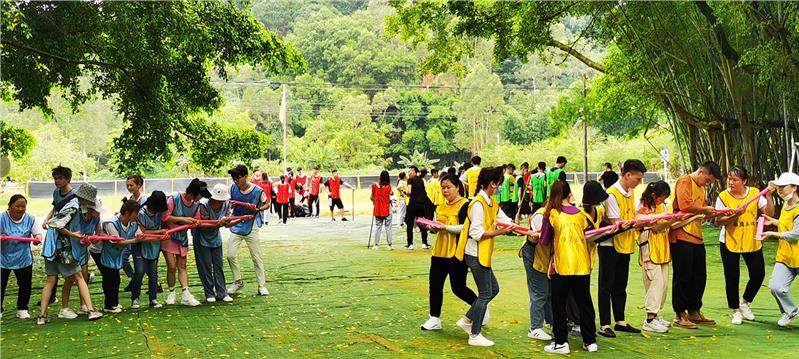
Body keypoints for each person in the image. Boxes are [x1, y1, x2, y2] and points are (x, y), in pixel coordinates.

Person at [454, 167, 519, 347]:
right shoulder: (478, 203)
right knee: (485, 294)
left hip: (483, 254)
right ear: (492, 183)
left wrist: (524, 230)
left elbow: (505, 219)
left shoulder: (491, 202)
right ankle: (475, 334)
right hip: (475, 254)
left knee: (493, 289)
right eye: (499, 183)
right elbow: (476, 232)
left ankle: (467, 320)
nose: (500, 187)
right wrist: (500, 231)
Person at [539, 181, 598, 354]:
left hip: (561, 265)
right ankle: (590, 341)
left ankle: (561, 343)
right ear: (569, 194)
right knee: (585, 303)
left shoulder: (551, 214)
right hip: (582, 265)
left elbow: (544, 240)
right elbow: (591, 235)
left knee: (559, 304)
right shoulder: (582, 214)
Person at [635, 181, 699, 333]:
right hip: (650, 250)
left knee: (663, 284)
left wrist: (692, 218)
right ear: (653, 195)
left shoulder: (662, 207)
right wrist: (669, 219)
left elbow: (670, 225)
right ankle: (649, 319)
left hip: (663, 250)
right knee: (655, 283)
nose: (663, 201)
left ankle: (656, 315)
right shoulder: (642, 207)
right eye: (661, 198)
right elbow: (656, 226)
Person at [714, 166, 773, 325]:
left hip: (751, 239)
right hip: (729, 241)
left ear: (744, 181)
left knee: (758, 274)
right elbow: (718, 222)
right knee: (732, 277)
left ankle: (745, 302)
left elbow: (769, 214)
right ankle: (735, 311)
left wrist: (769, 197)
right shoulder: (723, 197)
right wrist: (735, 215)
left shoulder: (755, 193)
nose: (731, 182)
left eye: (735, 179)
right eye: (729, 179)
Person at [39, 183, 104, 324]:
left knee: (51, 280)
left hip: (50, 248)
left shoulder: (74, 205)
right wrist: (74, 235)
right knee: (80, 277)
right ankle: (91, 310)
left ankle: (42, 317)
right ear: (85, 198)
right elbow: (58, 225)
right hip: (62, 249)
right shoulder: (73, 206)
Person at [420, 174, 477, 331]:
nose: (445, 191)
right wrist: (430, 227)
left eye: (448, 187)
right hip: (439, 251)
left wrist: (445, 228)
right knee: (435, 285)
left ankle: (479, 307)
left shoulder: (466, 205)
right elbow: (439, 226)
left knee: (458, 288)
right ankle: (434, 318)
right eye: (443, 188)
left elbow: (465, 228)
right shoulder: (440, 206)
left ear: (457, 187)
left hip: (456, 253)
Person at [598, 159, 647, 337]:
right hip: (609, 245)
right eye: (638, 178)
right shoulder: (611, 194)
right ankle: (604, 324)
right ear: (627, 175)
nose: (639, 182)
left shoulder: (630, 192)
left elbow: (633, 215)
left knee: (621, 284)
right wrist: (638, 222)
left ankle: (620, 321)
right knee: (606, 285)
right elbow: (615, 222)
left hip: (625, 244)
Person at [669, 161, 721, 328]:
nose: (708, 184)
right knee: (683, 275)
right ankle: (679, 314)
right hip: (681, 233)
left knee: (699, 275)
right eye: (707, 180)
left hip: (696, 235)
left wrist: (707, 211)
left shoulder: (701, 187)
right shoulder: (685, 181)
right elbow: (685, 206)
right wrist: (705, 209)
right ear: (700, 172)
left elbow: (698, 209)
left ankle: (694, 310)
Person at [226, 164, 271, 297]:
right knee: (230, 255)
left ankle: (261, 285)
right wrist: (232, 206)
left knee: (256, 257)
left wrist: (258, 210)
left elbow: (267, 203)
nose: (235, 180)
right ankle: (238, 281)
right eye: (233, 177)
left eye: (237, 177)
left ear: (246, 176)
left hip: (252, 226)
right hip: (237, 225)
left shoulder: (257, 190)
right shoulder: (233, 188)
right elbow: (230, 204)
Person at [161, 178, 206, 307]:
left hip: (182, 238)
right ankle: (171, 292)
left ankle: (186, 294)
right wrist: (183, 220)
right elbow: (165, 217)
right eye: (200, 194)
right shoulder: (173, 199)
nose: (201, 197)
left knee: (182, 266)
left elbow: (196, 220)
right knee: (171, 266)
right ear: (193, 193)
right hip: (169, 237)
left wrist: (195, 223)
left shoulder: (197, 204)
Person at [762, 172, 799, 327]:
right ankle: (791, 311)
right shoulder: (786, 205)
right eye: (779, 188)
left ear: (795, 187)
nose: (780, 190)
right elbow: (786, 225)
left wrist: (772, 233)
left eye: (783, 187)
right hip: (785, 256)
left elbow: (795, 234)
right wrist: (773, 221)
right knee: (775, 287)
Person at [193, 184, 239, 303]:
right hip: (201, 236)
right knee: (206, 265)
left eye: (222, 201)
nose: (219, 203)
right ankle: (209, 293)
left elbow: (227, 223)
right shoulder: (203, 205)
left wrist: (240, 220)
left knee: (218, 264)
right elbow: (202, 224)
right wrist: (219, 224)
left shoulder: (227, 204)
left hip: (215, 236)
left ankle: (222, 292)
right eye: (217, 200)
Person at [1, 195, 43, 320]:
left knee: (25, 285)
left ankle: (22, 308)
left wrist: (37, 239)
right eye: (17, 206)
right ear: (9, 206)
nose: (20, 209)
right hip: (3, 258)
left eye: (23, 207)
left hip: (23, 258)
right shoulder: (1, 218)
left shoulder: (30, 219)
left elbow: (37, 233)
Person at [40, 165, 77, 307]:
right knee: (53, 272)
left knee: (76, 273)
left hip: (67, 235)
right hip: (55, 234)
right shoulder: (56, 192)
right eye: (55, 178)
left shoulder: (74, 196)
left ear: (68, 179)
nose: (57, 181)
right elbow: (55, 207)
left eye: (60, 178)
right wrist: (46, 220)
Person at [61, 194, 102, 319]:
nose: (98, 213)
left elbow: (97, 233)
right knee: (70, 278)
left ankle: (83, 305)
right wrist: (77, 237)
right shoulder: (75, 215)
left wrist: (92, 240)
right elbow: (62, 228)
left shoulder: (96, 219)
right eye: (96, 211)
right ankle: (64, 307)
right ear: (89, 209)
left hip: (83, 251)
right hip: (70, 250)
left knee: (83, 276)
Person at [97, 199, 142, 313]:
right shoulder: (111, 223)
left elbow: (140, 235)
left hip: (116, 255)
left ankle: (114, 303)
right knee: (110, 278)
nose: (138, 216)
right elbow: (118, 241)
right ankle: (109, 305)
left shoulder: (133, 223)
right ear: (127, 213)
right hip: (103, 253)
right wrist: (134, 241)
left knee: (115, 279)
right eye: (136, 213)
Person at [520, 205, 553, 341]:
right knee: (539, 291)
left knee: (549, 291)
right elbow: (542, 239)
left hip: (546, 256)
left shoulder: (557, 213)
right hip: (534, 254)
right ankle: (535, 328)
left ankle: (552, 323)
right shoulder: (540, 215)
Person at [133, 191, 169, 309]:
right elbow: (143, 232)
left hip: (154, 245)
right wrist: (159, 232)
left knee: (153, 273)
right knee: (139, 271)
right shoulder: (141, 213)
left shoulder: (160, 214)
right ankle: (135, 298)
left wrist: (164, 234)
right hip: (141, 245)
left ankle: (153, 298)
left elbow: (164, 226)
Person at [122, 174, 147, 292]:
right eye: (127, 185)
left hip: (141, 234)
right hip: (131, 234)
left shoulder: (144, 200)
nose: (129, 187)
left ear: (139, 185)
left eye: (131, 185)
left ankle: (151, 282)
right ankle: (135, 279)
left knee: (143, 261)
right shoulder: (131, 199)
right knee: (124, 257)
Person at [404, 166, 432, 250]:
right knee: (422, 223)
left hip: (412, 204)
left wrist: (406, 193)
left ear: (413, 171)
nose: (408, 173)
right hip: (421, 205)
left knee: (410, 224)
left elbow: (409, 191)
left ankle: (410, 244)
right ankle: (424, 243)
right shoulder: (421, 180)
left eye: (409, 171)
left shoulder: (410, 180)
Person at [370, 171, 393, 250]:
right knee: (388, 227)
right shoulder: (388, 186)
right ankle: (389, 245)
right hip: (387, 209)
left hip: (378, 209)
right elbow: (391, 193)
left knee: (378, 227)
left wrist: (375, 202)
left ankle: (376, 245)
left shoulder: (374, 186)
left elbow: (371, 197)